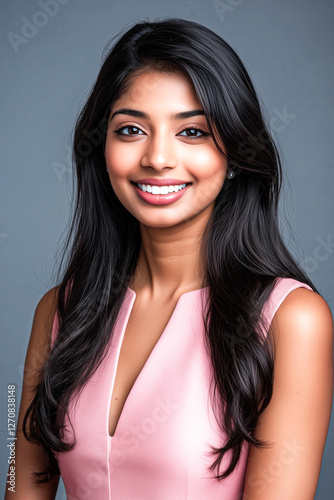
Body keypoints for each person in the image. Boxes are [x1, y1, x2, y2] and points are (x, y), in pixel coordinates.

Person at [7, 18, 333, 500]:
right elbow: (19, 485)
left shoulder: (292, 320)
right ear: (102, 148)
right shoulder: (59, 312)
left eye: (193, 132)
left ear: (237, 154)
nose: (158, 158)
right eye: (132, 129)